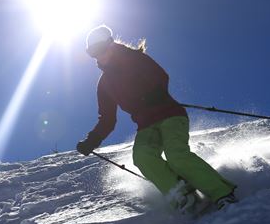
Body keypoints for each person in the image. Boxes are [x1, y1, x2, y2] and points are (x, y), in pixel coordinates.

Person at [76, 25, 237, 211]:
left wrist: (154, 93)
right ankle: (183, 196)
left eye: (101, 50)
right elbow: (107, 119)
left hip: (170, 114)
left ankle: (222, 193)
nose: (99, 56)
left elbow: (160, 75)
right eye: (93, 53)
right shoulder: (104, 84)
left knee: (176, 155)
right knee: (142, 157)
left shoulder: (133, 58)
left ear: (110, 44)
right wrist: (92, 140)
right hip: (146, 124)